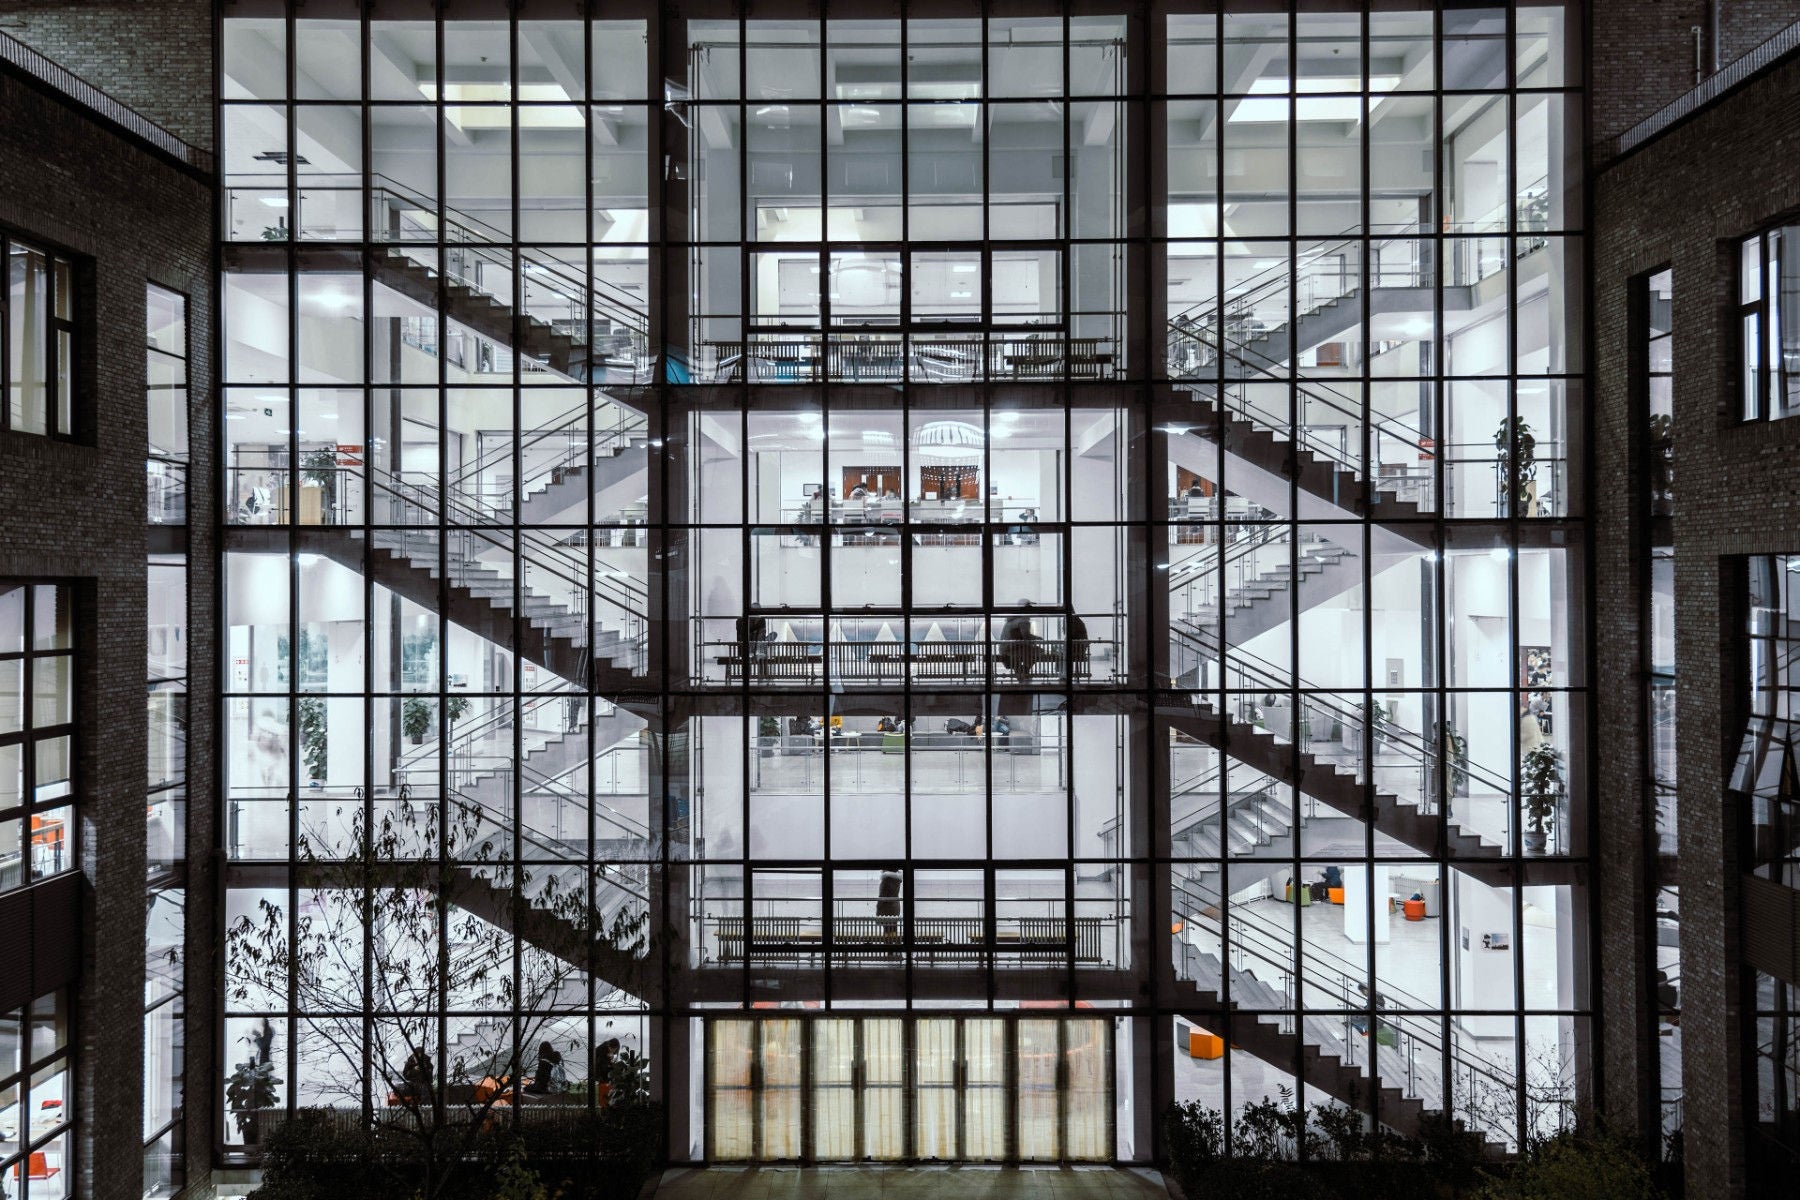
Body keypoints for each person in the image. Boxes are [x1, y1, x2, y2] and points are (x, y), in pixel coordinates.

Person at [998, 609, 1040, 681]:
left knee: (1027, 652)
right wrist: (1038, 639)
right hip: (1012, 650)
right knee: (1038, 651)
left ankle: (1022, 673)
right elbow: (1026, 636)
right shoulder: (1022, 621)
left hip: (1006, 649)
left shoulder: (1012, 621)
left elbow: (1022, 638)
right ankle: (1024, 671)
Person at [1067, 612, 1091, 680]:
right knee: (1075, 658)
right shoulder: (1079, 622)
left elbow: (1070, 633)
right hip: (1080, 650)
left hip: (1076, 650)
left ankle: (1066, 675)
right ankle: (1075, 675)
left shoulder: (1073, 622)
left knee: (1064, 656)